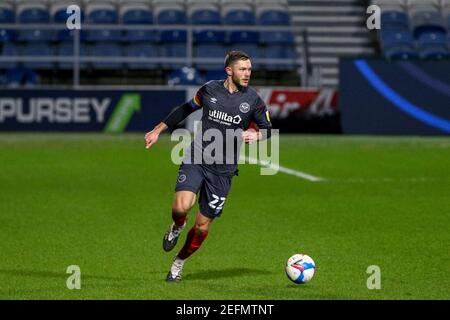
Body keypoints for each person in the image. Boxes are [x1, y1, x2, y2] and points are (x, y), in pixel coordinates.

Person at [144, 51, 273, 282]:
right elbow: (185, 109)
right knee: (181, 208)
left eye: (249, 69)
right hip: (198, 157)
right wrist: (157, 129)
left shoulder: (253, 100)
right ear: (229, 71)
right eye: (242, 69)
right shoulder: (209, 90)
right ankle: (176, 226)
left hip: (223, 171)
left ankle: (179, 262)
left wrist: (257, 135)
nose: (247, 74)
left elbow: (268, 129)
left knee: (202, 228)